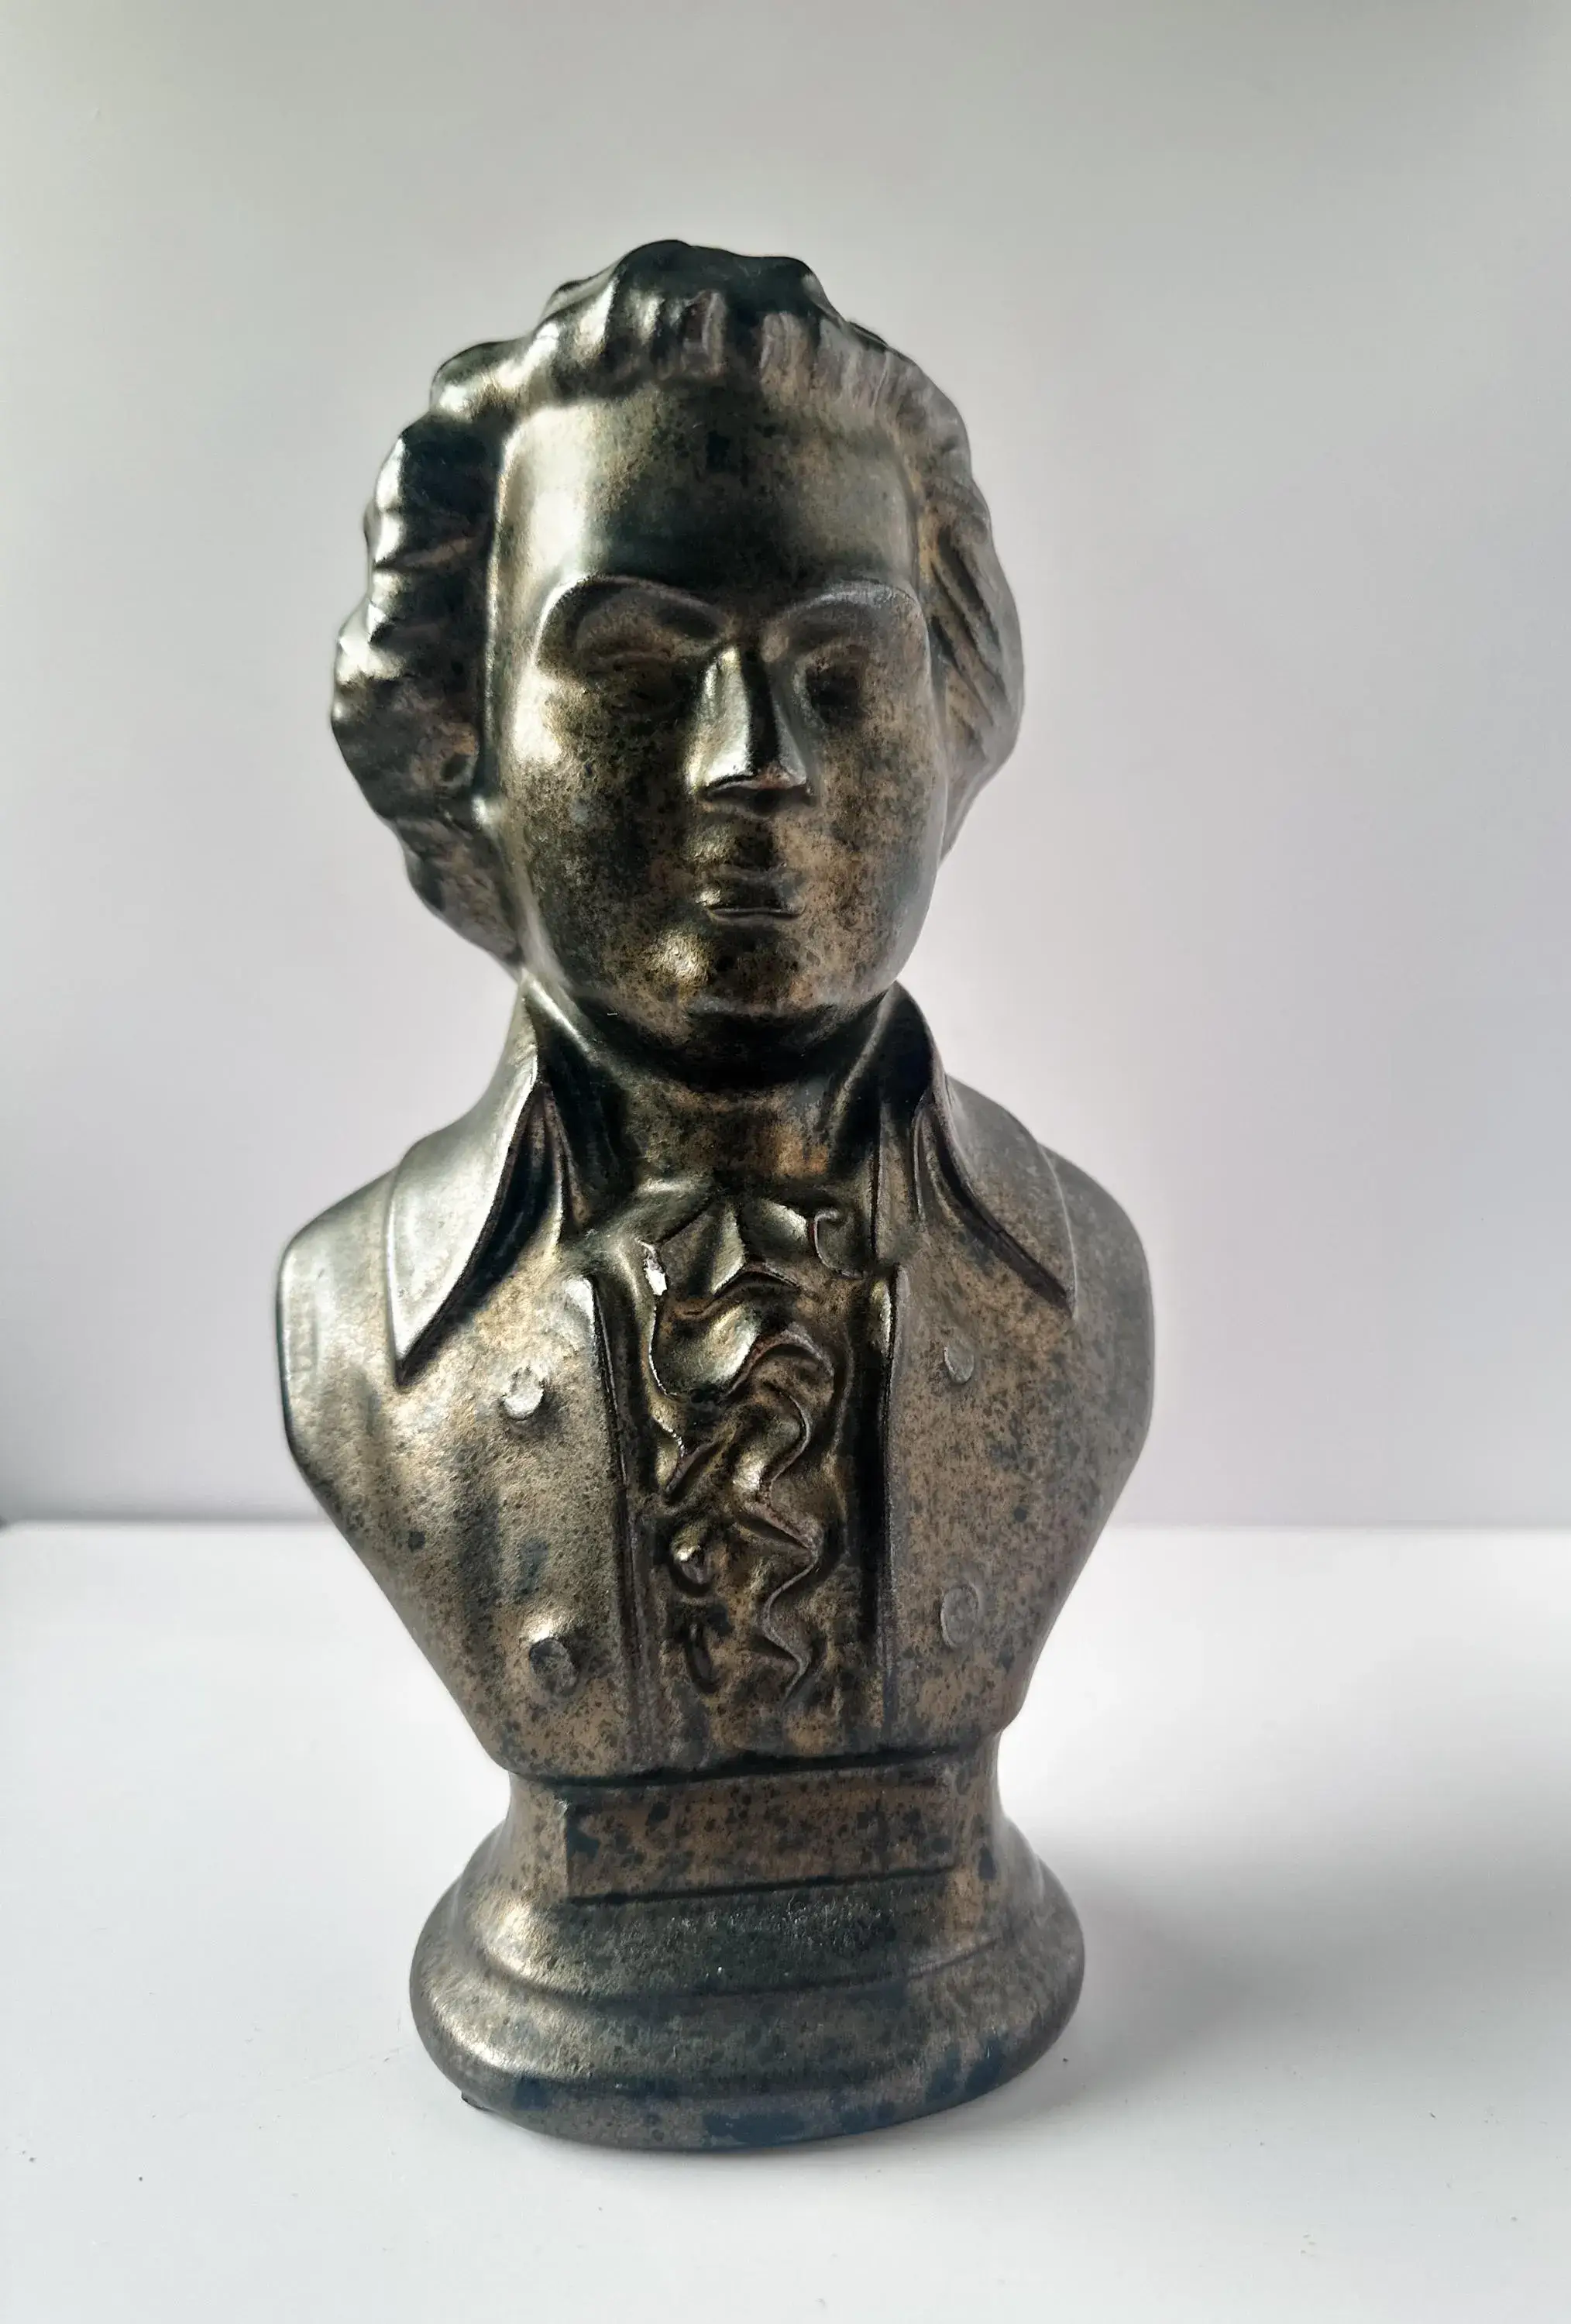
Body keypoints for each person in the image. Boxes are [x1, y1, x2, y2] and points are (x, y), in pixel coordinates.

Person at [278, 242, 1152, 2145]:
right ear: (462, 744)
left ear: (953, 732)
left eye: (839, 670)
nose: (757, 766)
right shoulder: (355, 1324)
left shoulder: (1079, 1284)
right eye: (635, 665)